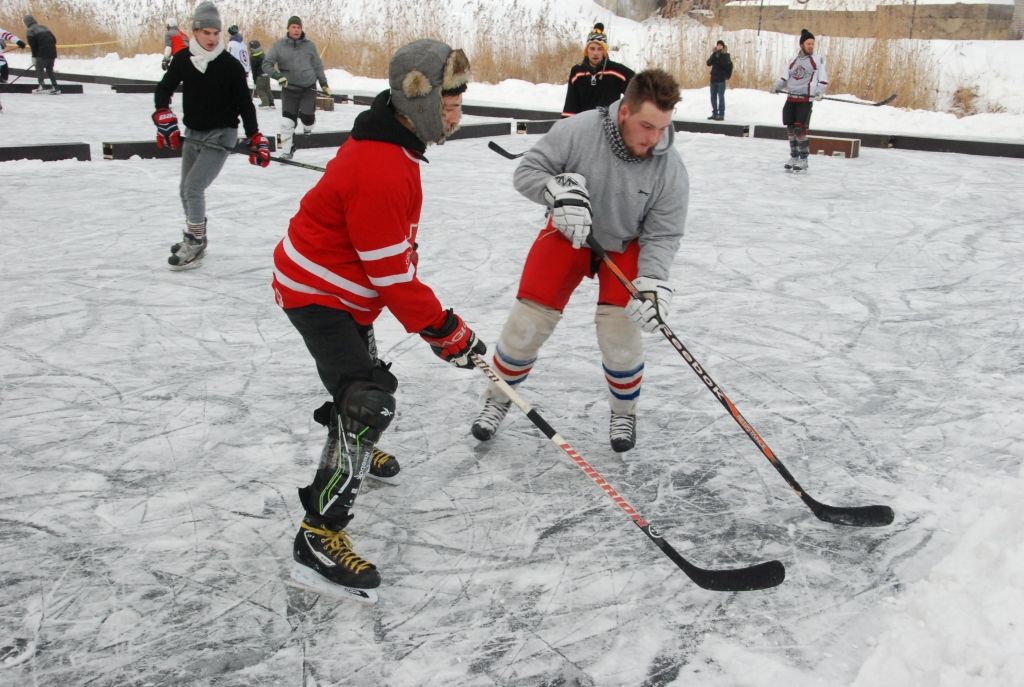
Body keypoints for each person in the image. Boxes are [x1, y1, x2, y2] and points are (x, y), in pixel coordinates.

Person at [271, 39, 484, 602]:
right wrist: (446, 331)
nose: (457, 114)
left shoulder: (392, 139)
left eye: (461, 101)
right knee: (368, 402)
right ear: (417, 101)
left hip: (343, 287)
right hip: (317, 290)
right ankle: (318, 534)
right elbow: (391, 275)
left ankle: (355, 443)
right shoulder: (384, 166)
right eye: (449, 101)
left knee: (360, 381)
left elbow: (386, 263)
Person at [473, 69, 688, 453]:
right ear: (624, 112)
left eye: (663, 128)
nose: (655, 139)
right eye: (647, 126)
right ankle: (499, 398)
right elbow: (527, 172)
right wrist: (555, 191)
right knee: (526, 323)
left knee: (620, 331)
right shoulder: (580, 130)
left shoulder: (669, 167)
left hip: (625, 242)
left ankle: (624, 411)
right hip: (569, 234)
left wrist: (652, 282)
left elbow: (664, 233)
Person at [153, 1, 270, 270]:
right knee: (185, 190)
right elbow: (164, 89)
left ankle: (194, 241)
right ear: (194, 32)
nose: (212, 38)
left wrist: (255, 137)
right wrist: (163, 115)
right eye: (206, 32)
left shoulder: (229, 65)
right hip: (193, 133)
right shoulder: (183, 59)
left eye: (216, 33)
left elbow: (244, 104)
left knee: (194, 188)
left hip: (221, 135)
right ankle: (197, 235)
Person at [262, 16, 331, 159]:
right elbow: (266, 64)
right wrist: (277, 75)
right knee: (286, 123)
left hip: (308, 88)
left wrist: (324, 84)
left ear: (301, 29)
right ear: (288, 28)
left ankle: (307, 125)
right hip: (289, 89)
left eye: (298, 27)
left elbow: (318, 66)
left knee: (307, 117)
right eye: (293, 27)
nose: (296, 30)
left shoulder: (310, 45)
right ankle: (285, 151)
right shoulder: (278, 46)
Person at [771, 28, 829, 172]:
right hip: (791, 98)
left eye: (812, 44)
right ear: (802, 44)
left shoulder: (817, 59)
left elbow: (823, 79)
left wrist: (819, 92)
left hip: (805, 99)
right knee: (790, 128)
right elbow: (785, 76)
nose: (811, 46)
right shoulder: (793, 60)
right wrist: (777, 86)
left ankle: (804, 159)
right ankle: (794, 156)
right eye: (808, 43)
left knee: (799, 129)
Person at [561, 22, 634, 118]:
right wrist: (566, 127)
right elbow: (571, 105)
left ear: (604, 51)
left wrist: (626, 115)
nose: (595, 53)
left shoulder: (616, 71)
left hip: (608, 127)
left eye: (599, 49)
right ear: (587, 50)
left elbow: (639, 89)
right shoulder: (577, 72)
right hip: (584, 126)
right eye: (592, 48)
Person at [23, 15, 58, 95]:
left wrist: (34, 57)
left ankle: (42, 86)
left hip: (42, 53)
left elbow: (33, 46)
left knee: (39, 68)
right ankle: (55, 87)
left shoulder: (30, 31)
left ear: (26, 22)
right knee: (50, 70)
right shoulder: (44, 27)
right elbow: (54, 40)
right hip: (52, 52)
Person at [706, 39, 733, 121]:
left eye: (721, 45)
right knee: (713, 97)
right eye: (718, 45)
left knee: (721, 97)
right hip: (713, 79)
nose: (719, 46)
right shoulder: (714, 54)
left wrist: (727, 76)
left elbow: (728, 65)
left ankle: (721, 114)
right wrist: (714, 54)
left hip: (721, 80)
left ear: (723, 46)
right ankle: (714, 113)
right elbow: (708, 63)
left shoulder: (726, 55)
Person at [248, 39, 274, 108]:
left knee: (260, 89)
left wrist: (254, 80)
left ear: (252, 48)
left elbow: (254, 70)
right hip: (267, 75)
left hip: (260, 76)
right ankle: (271, 103)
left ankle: (265, 104)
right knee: (267, 89)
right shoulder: (263, 54)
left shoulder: (253, 57)